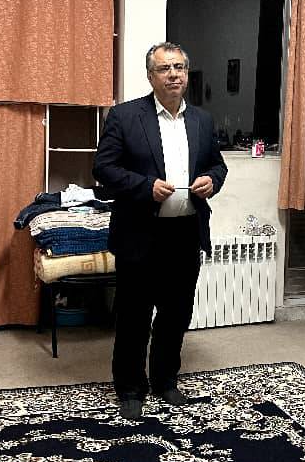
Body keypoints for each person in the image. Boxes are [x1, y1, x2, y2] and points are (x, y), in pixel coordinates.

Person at [93, 42, 227, 420]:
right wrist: (144, 187)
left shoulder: (202, 120)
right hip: (139, 233)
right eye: (165, 68)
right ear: (150, 76)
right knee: (134, 317)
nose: (173, 75)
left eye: (179, 67)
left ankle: (166, 381)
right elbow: (103, 169)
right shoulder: (124, 116)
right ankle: (130, 388)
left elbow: (217, 166)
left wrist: (212, 181)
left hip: (185, 233)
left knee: (176, 315)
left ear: (187, 73)